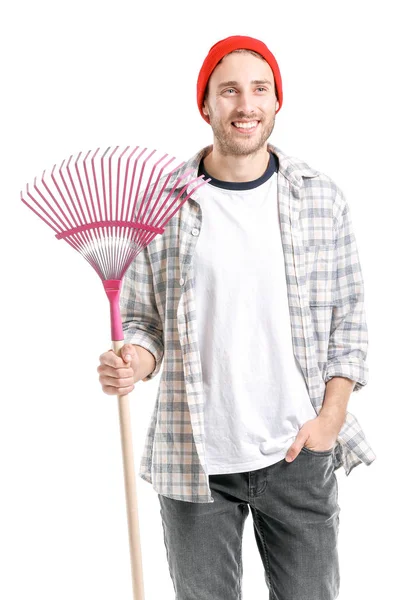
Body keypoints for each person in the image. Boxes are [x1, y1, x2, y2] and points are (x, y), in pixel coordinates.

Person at [97, 35, 376, 600]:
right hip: (194, 457)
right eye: (229, 91)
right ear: (206, 105)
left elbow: (348, 324)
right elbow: (146, 322)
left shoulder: (321, 198)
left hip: (298, 452)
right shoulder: (161, 203)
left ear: (276, 102)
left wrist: (329, 420)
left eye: (259, 89)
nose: (245, 104)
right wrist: (134, 359)